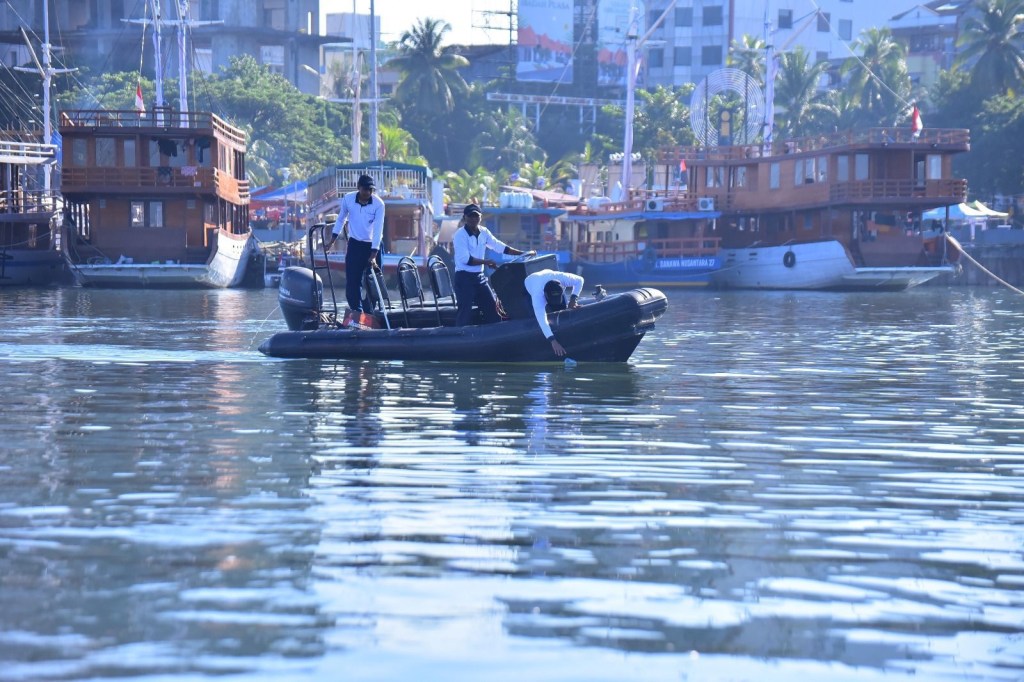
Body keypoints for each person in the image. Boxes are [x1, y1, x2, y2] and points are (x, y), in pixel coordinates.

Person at [452, 203, 531, 326]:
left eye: (476, 216)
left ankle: (495, 333)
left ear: (480, 217)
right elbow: (465, 260)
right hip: (464, 278)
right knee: (465, 312)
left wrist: (522, 253)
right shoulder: (460, 235)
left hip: (479, 277)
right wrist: (487, 262)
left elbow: (499, 247)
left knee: (493, 310)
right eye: (470, 216)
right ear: (465, 218)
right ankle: (460, 334)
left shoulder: (484, 232)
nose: (473, 219)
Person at [328, 174, 385, 323]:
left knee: (373, 282)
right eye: (365, 189)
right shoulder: (348, 199)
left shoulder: (379, 204)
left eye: (370, 190)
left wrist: (374, 254)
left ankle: (370, 314)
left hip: (373, 245)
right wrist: (333, 239)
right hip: (355, 245)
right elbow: (341, 219)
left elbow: (378, 229)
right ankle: (357, 313)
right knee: (353, 283)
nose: (368, 192)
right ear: (358, 188)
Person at [523, 269, 584, 357]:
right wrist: (553, 341)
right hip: (530, 283)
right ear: (545, 295)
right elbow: (541, 319)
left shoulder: (563, 279)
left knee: (562, 308)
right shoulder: (537, 296)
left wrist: (573, 300)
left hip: (548, 277)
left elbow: (580, 280)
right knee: (534, 316)